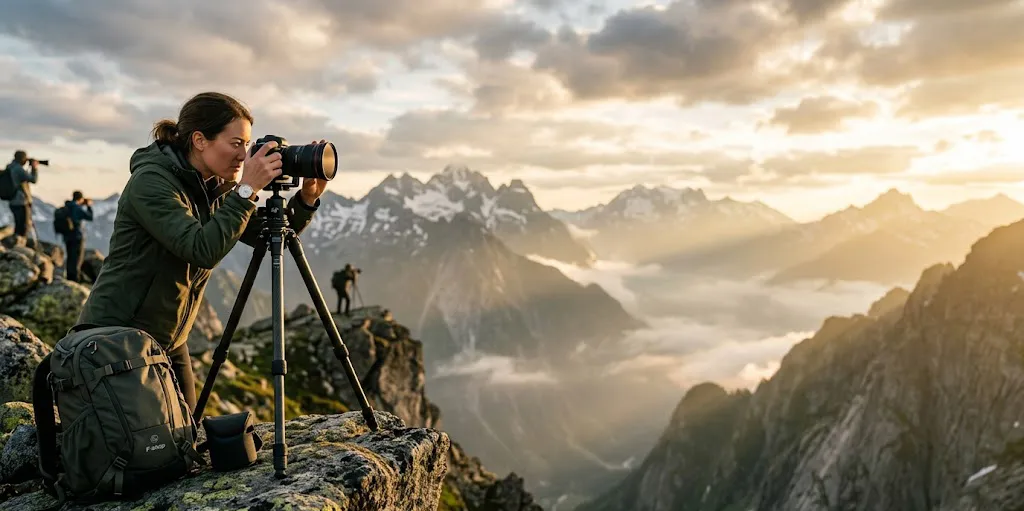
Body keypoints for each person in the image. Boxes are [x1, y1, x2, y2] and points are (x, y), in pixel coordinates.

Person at [74, 91, 328, 412]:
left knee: (187, 444)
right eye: (236, 144)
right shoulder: (152, 182)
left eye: (247, 146)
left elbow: (268, 233)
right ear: (199, 140)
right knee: (148, 455)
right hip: (118, 339)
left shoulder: (211, 188)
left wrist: (306, 199)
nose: (243, 156)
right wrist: (246, 189)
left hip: (169, 341)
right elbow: (201, 248)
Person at [4, 150, 39, 239]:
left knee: (18, 224)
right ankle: (20, 244)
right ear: (22, 158)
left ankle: (17, 242)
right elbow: (33, 179)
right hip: (20, 201)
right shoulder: (18, 169)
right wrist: (34, 168)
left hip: (12, 200)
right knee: (23, 226)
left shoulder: (10, 167)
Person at [62, 191, 94, 282]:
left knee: (70, 257)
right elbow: (90, 217)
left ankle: (69, 277)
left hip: (67, 237)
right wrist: (88, 206)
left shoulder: (67, 206)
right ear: (80, 199)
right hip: (77, 237)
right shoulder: (77, 208)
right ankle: (75, 278)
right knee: (77, 258)